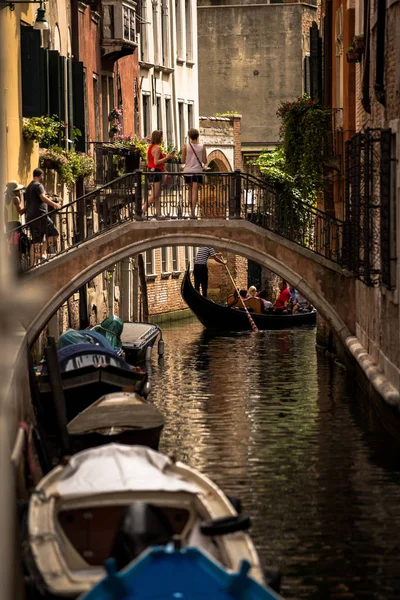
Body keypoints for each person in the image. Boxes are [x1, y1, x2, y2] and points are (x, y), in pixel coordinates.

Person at [25, 168, 60, 264]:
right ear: (40, 175)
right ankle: (40, 252)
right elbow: (42, 197)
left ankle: (32, 265)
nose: (43, 177)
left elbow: (28, 202)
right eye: (43, 176)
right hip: (40, 215)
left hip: (31, 217)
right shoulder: (38, 185)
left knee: (35, 242)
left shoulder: (28, 187)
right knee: (55, 234)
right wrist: (54, 204)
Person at [143, 130, 175, 218]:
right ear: (158, 138)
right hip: (156, 172)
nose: (162, 138)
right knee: (155, 194)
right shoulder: (157, 148)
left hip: (151, 171)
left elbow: (148, 161)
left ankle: (159, 213)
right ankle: (141, 210)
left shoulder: (150, 147)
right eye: (161, 137)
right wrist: (167, 158)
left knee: (156, 195)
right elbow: (156, 162)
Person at [181, 128, 207, 219]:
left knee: (190, 190)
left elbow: (182, 160)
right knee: (195, 192)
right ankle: (193, 212)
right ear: (197, 136)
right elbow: (205, 160)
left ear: (189, 136)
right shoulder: (202, 146)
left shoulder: (185, 146)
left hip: (188, 171)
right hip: (197, 172)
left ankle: (190, 211)